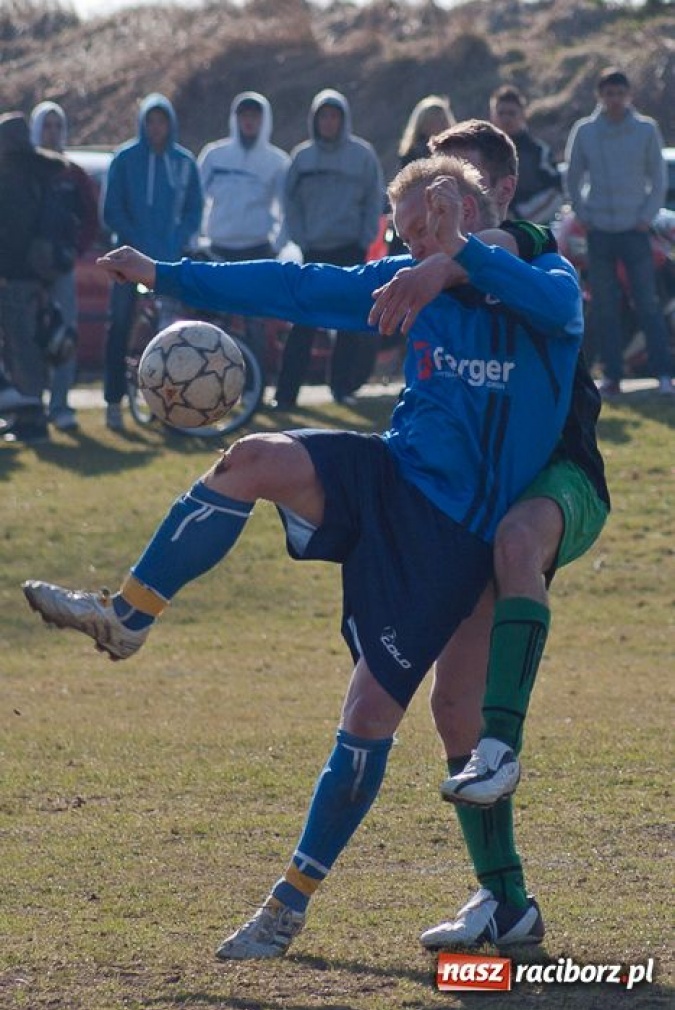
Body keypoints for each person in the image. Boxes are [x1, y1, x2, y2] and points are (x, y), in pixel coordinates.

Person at [23, 154, 583, 959]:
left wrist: (457, 257)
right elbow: (288, 288)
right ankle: (127, 616)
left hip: (453, 539)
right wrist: (162, 273)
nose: (417, 239)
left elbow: (556, 305)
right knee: (251, 459)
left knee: (370, 720)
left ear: (474, 212)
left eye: (433, 220)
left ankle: (289, 905)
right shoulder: (400, 283)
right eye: (408, 227)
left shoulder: (540, 281)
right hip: (387, 479)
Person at [368, 118, 609, 949]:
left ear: (498, 194)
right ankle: (506, 903)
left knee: (515, 542)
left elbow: (529, 261)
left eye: (457, 190)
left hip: (563, 480)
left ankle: (504, 747)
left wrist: (457, 251)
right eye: (428, 192)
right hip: (477, 500)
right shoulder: (435, 273)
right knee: (449, 708)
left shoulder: (535, 253)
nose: (439, 206)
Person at [565, 67, 673, 397]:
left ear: (629, 95)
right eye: (608, 94)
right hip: (599, 232)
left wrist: (646, 216)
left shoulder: (645, 129)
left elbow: (658, 178)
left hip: (635, 232)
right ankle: (612, 376)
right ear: (600, 96)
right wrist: (585, 216)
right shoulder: (585, 131)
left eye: (619, 93)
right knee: (605, 306)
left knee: (647, 304)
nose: (614, 100)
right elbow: (572, 176)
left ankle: (664, 375)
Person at [273, 88, 384, 409]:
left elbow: (374, 200)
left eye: (334, 115)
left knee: (347, 323)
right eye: (323, 116)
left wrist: (365, 239)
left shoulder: (362, 156)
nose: (329, 122)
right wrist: (301, 237)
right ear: (315, 119)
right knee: (303, 324)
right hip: (313, 249)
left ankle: (341, 388)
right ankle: (285, 395)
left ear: (343, 119)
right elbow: (289, 202)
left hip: (350, 248)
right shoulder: (302, 157)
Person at [102, 92, 203, 430]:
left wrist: (176, 240)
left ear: (170, 124)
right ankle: (114, 402)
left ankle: (170, 407)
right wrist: (136, 242)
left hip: (168, 263)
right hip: (127, 262)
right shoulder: (125, 159)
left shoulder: (184, 162)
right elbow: (111, 210)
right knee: (120, 326)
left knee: (170, 335)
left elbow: (194, 209)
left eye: (162, 121)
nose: (156, 127)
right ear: (143, 123)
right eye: (151, 121)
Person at [198, 91, 290, 374]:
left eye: (255, 116)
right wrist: (195, 241)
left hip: (257, 250)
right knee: (214, 324)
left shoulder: (277, 161)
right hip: (218, 249)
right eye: (244, 116)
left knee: (255, 324)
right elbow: (195, 201)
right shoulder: (214, 155)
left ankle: (254, 386)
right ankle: (209, 380)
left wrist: (278, 244)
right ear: (235, 119)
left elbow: (287, 209)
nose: (249, 122)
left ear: (264, 120)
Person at [29, 100, 99, 431]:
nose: (52, 132)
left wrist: (75, 249)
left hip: (62, 267)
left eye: (58, 126)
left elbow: (90, 218)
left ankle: (60, 405)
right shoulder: (24, 169)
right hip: (27, 271)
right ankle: (31, 404)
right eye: (47, 125)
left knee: (64, 335)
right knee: (28, 337)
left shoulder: (74, 173)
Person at [0, 112, 67, 444]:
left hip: (16, 277)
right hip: (41, 275)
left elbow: (11, 234)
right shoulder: (42, 173)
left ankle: (31, 421)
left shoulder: (11, 178)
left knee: (21, 347)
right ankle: (29, 415)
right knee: (33, 346)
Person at [387, 94, 455, 255]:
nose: (438, 124)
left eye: (441, 119)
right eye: (433, 120)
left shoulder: (455, 153)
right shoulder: (411, 155)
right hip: (414, 214)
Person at [489, 84, 562, 224]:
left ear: (523, 115)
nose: (506, 119)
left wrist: (520, 219)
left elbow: (556, 191)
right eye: (501, 113)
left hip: (532, 232)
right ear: (492, 115)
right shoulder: (480, 151)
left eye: (511, 113)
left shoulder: (538, 152)